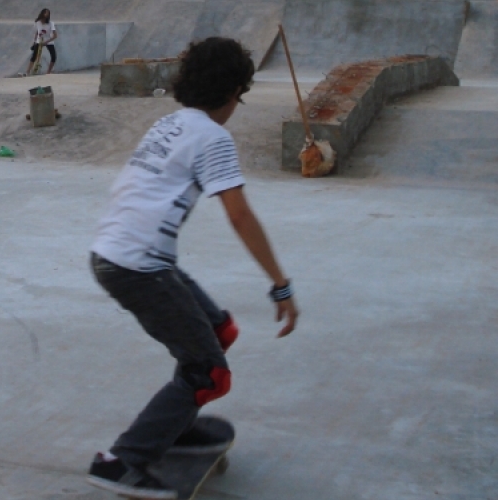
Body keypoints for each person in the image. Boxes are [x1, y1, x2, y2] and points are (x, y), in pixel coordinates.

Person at [85, 37, 299, 499]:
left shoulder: (169, 124)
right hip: (140, 267)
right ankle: (121, 462)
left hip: (115, 255)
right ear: (232, 92)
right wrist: (280, 285)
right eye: (240, 98)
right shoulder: (213, 137)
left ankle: (172, 428)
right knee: (210, 372)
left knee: (218, 331)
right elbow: (239, 215)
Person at [26, 8, 57, 75]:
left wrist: (46, 42)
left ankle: (48, 72)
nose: (47, 14)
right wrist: (34, 42)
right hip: (39, 40)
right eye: (46, 13)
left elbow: (55, 36)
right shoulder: (37, 23)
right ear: (42, 13)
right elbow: (37, 32)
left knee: (54, 56)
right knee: (34, 56)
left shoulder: (51, 23)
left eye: (48, 13)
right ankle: (28, 71)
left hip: (48, 40)